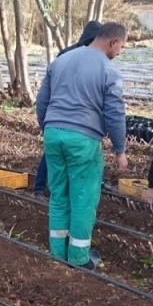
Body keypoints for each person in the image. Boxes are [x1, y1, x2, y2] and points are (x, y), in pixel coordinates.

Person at [36, 22, 129, 270]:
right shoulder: (109, 71)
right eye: (121, 46)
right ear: (112, 42)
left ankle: (57, 252)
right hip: (83, 139)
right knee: (83, 198)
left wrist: (48, 129)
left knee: (59, 194)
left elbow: (42, 101)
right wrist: (120, 150)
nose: (119, 52)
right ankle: (78, 258)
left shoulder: (60, 61)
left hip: (53, 133)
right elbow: (115, 113)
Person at [33, 20, 102, 198]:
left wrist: (45, 123)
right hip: (77, 120)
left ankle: (42, 189)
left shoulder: (65, 55)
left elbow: (43, 98)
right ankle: (46, 189)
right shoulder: (92, 58)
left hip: (56, 119)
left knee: (53, 153)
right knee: (72, 157)